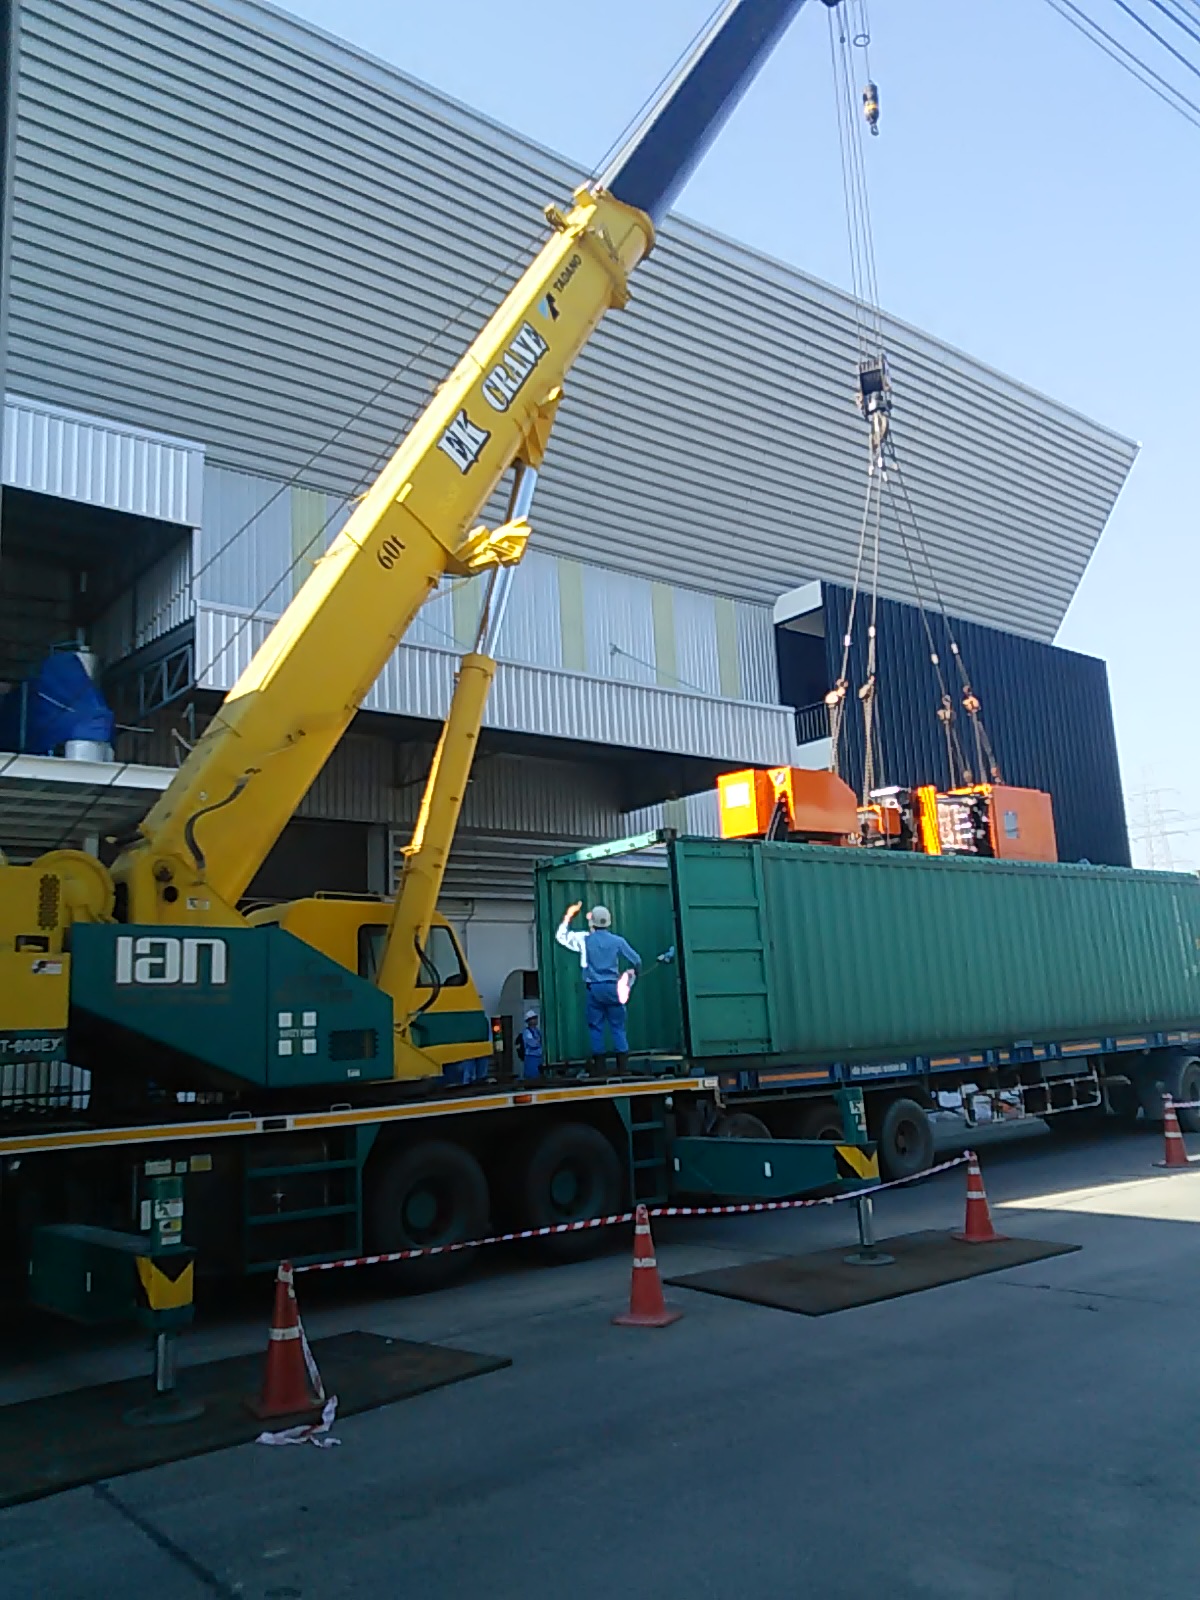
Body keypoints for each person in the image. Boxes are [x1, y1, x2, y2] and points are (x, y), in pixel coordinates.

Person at [555, 901, 641, 1071]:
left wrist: (568, 916)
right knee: (618, 1027)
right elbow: (636, 960)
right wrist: (634, 973)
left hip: (594, 989)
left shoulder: (584, 939)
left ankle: (599, 1067)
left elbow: (561, 937)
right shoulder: (618, 941)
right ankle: (622, 1066)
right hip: (613, 988)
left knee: (596, 1027)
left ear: (591, 921)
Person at [515, 1008, 543, 1079]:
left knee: (538, 1075)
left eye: (535, 1018)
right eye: (533, 1018)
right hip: (531, 1056)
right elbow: (533, 1043)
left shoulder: (537, 1031)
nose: (535, 1020)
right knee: (531, 1076)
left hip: (538, 1056)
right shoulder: (527, 1032)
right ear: (528, 1021)